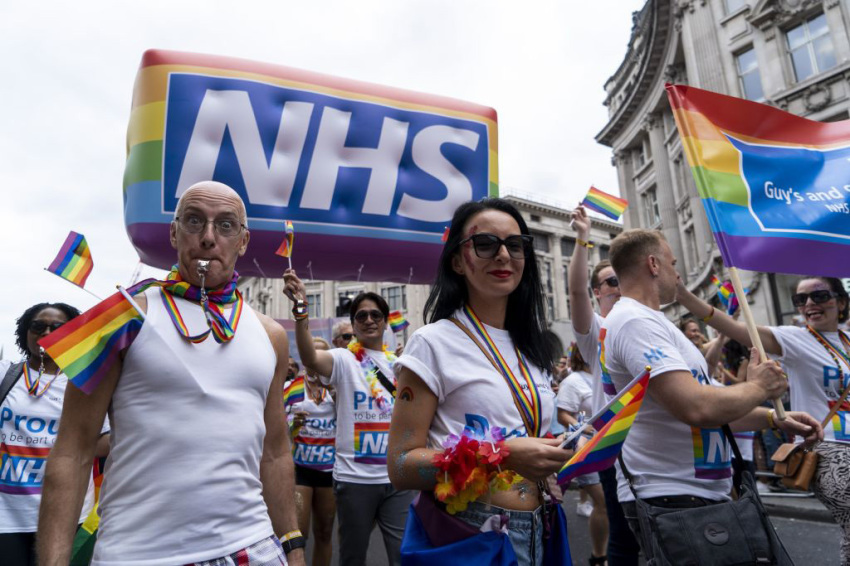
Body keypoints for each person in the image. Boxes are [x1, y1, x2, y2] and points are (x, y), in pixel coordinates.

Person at [38, 181, 305, 565]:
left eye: (226, 225)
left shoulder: (271, 335)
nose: (209, 238)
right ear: (173, 232)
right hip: (139, 554)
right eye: (195, 221)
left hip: (254, 547)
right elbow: (73, 451)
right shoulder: (120, 317)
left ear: (243, 241)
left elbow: (275, 453)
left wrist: (293, 546)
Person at [600, 229, 822, 553]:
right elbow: (697, 408)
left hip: (697, 496)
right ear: (653, 264)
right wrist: (759, 386)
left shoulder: (653, 323)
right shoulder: (634, 321)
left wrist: (775, 418)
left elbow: (719, 408)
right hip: (672, 497)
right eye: (673, 263)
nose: (677, 272)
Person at [387, 197, 571, 566]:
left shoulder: (531, 348)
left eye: (515, 245)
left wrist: (556, 454)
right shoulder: (432, 342)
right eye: (486, 244)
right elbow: (401, 465)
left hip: (543, 527)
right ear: (457, 261)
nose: (503, 255)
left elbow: (525, 431)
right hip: (472, 535)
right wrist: (502, 456)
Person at [677, 273, 850, 562]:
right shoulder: (795, 338)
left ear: (841, 302)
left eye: (819, 296)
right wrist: (683, 295)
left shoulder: (846, 341)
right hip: (826, 448)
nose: (809, 303)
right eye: (800, 299)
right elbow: (735, 327)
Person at [282, 275, 414, 566]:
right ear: (354, 324)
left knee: (403, 556)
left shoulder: (400, 366)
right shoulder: (342, 359)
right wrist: (301, 309)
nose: (369, 320)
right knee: (353, 557)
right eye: (361, 315)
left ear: (384, 322)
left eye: (375, 314)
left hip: (397, 479)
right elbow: (308, 356)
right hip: (355, 481)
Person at [0, 303, 108, 566]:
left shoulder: (86, 383)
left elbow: (103, 442)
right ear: (26, 331)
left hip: (65, 511)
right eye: (38, 326)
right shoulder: (5, 374)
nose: (46, 332)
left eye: (58, 328)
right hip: (6, 514)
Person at [567, 204, 639, 565]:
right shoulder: (597, 330)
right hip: (616, 445)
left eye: (620, 280)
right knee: (624, 536)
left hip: (656, 445)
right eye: (609, 282)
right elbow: (575, 293)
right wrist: (583, 239)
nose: (616, 286)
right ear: (597, 292)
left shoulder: (647, 323)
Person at [557, 344, 608, 565]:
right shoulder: (572, 381)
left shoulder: (604, 377)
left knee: (610, 504)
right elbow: (563, 415)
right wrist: (585, 427)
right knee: (603, 501)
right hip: (584, 448)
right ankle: (599, 555)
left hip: (609, 447)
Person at [287, 337, 336, 566]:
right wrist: (292, 423)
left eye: (321, 355)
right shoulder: (290, 388)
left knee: (325, 533)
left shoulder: (338, 388)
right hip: (301, 469)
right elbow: (276, 428)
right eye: (311, 354)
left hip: (330, 471)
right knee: (299, 535)